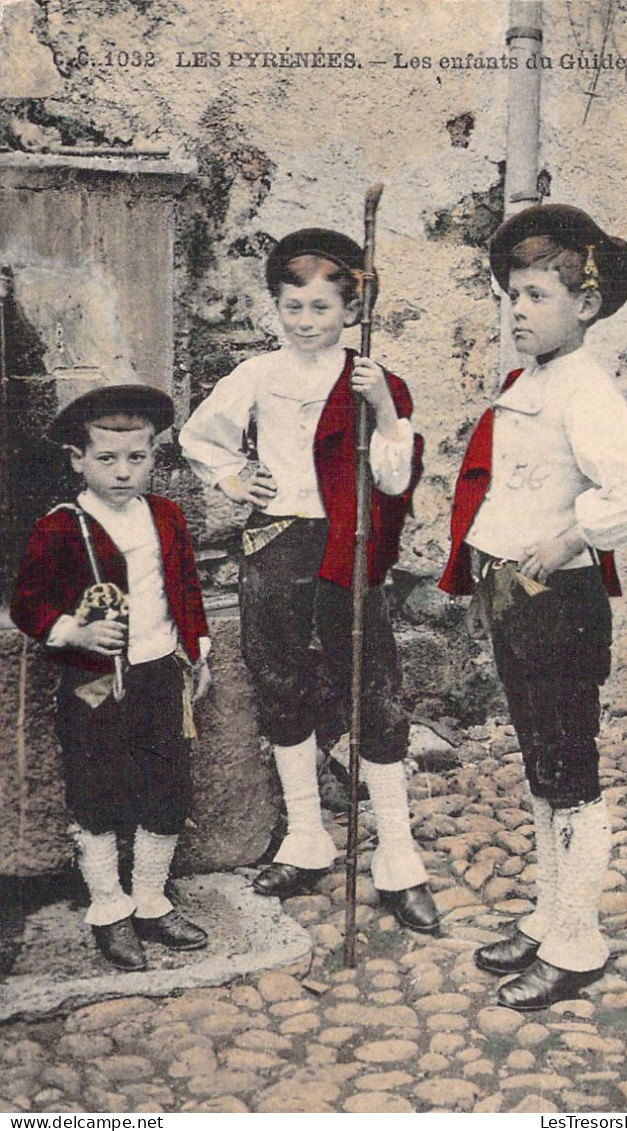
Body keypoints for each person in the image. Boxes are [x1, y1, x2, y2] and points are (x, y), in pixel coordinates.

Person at [439, 204, 627, 1010]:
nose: (518, 310)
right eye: (512, 294)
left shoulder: (587, 390)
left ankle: (578, 943)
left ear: (587, 304)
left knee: (571, 774)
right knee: (543, 770)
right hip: (516, 600)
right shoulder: (531, 382)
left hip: (559, 606)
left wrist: (575, 535)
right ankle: (549, 916)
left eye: (537, 294)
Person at [179, 227, 439, 934]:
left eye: (321, 308)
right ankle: (306, 838)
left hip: (350, 543)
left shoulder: (369, 376)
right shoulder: (259, 376)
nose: (305, 321)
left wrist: (383, 406)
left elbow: (391, 475)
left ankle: (397, 856)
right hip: (278, 541)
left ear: (351, 310)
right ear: (275, 307)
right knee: (281, 683)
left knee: (373, 688)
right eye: (292, 306)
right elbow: (200, 436)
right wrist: (237, 475)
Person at [11, 385, 212, 971]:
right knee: (96, 790)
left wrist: (197, 648)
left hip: (160, 673)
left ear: (154, 456)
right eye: (107, 459)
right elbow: (28, 604)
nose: (123, 473)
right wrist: (72, 631)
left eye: (138, 458)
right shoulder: (61, 527)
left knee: (168, 785)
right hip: (93, 684)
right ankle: (108, 907)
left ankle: (151, 899)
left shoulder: (167, 517)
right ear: (78, 460)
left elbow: (186, 589)